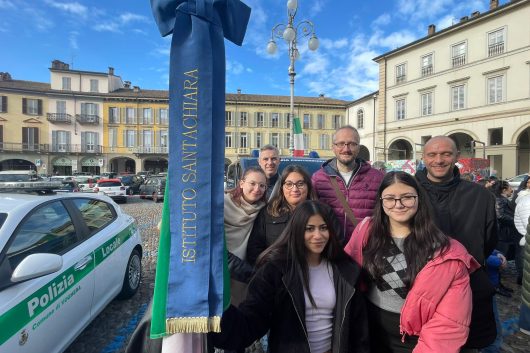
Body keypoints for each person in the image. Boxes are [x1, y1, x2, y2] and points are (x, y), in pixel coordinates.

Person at [344, 171, 479, 353]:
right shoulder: (365, 232)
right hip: (368, 331)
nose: (398, 205)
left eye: (407, 197)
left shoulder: (446, 253)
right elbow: (346, 271)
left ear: (418, 199)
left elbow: (448, 323)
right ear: (381, 201)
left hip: (413, 341)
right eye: (390, 198)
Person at [211, 200, 369, 353]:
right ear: (297, 230)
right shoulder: (275, 271)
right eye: (309, 228)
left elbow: (358, 329)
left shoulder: (346, 271)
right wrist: (218, 315)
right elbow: (251, 321)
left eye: (323, 228)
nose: (318, 235)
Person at [414, 135, 498, 350]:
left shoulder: (480, 196)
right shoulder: (408, 193)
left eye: (446, 154)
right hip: (420, 290)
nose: (439, 160)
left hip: (469, 290)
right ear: (423, 157)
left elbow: (488, 241)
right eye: (432, 154)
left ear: (457, 157)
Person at [312, 125, 384, 242]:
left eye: (352, 144)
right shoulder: (318, 179)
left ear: (359, 147)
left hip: (365, 249)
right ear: (333, 147)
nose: (346, 149)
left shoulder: (378, 178)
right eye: (341, 144)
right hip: (331, 249)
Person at [247, 164, 317, 266]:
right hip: (275, 276)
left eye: (300, 184)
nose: (295, 189)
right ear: (282, 187)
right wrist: (267, 272)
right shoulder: (268, 212)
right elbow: (254, 248)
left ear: (308, 186)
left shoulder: (320, 212)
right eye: (289, 184)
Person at [224, 166, 267, 307]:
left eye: (262, 185)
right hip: (219, 269)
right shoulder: (221, 203)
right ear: (241, 183)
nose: (257, 189)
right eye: (252, 183)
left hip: (241, 278)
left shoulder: (263, 210)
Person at [493, 180, 523, 285]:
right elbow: (500, 215)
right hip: (504, 233)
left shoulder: (501, 199)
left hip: (505, 232)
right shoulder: (500, 200)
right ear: (504, 190)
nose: (512, 189)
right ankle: (497, 283)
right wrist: (516, 219)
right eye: (510, 187)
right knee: (502, 256)